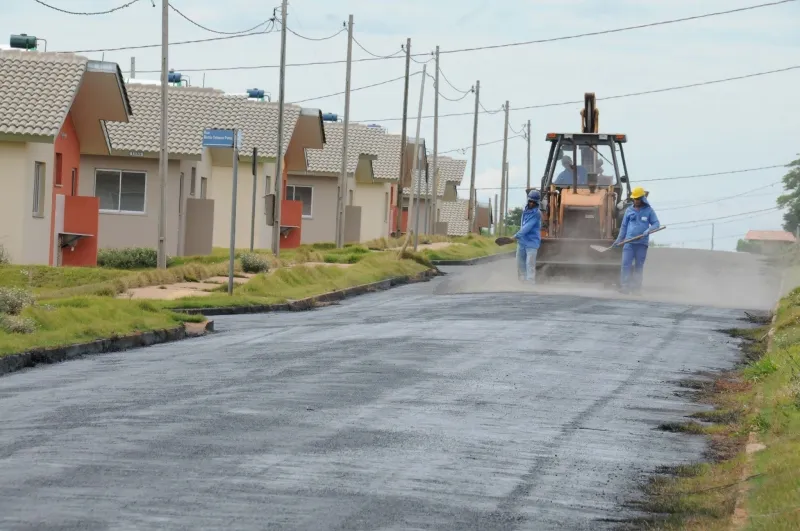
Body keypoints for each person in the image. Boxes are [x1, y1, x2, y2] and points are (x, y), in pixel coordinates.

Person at [613, 186, 660, 294]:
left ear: (642, 198)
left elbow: (656, 224)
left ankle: (636, 288)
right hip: (629, 243)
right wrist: (619, 239)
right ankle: (625, 287)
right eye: (634, 198)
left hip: (641, 244)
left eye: (638, 198)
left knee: (638, 266)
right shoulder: (629, 210)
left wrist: (648, 230)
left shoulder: (648, 211)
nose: (636, 200)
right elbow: (624, 226)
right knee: (625, 264)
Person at [514, 190, 542, 284]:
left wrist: (515, 236)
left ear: (537, 203)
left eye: (534, 202)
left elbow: (527, 227)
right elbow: (522, 225)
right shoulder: (525, 211)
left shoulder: (537, 213)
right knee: (520, 264)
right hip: (522, 242)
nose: (531, 203)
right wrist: (518, 238)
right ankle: (522, 282)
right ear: (528, 200)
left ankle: (530, 284)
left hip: (532, 243)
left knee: (529, 264)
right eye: (530, 201)